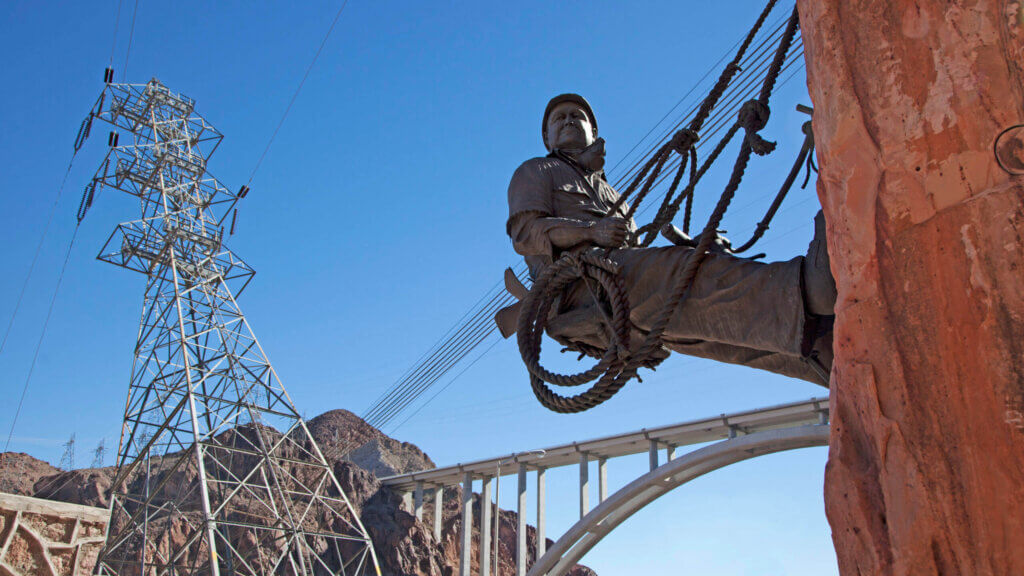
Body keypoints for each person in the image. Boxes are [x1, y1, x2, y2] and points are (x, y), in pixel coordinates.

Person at [497, 93, 835, 386]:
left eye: (578, 116)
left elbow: (635, 252)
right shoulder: (536, 171)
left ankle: (816, 354)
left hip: (615, 287)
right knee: (680, 274)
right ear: (546, 136)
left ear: (593, 132)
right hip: (578, 289)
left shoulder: (612, 194)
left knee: (700, 322)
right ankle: (805, 289)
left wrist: (691, 243)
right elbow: (527, 234)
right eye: (559, 118)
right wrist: (591, 232)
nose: (569, 120)